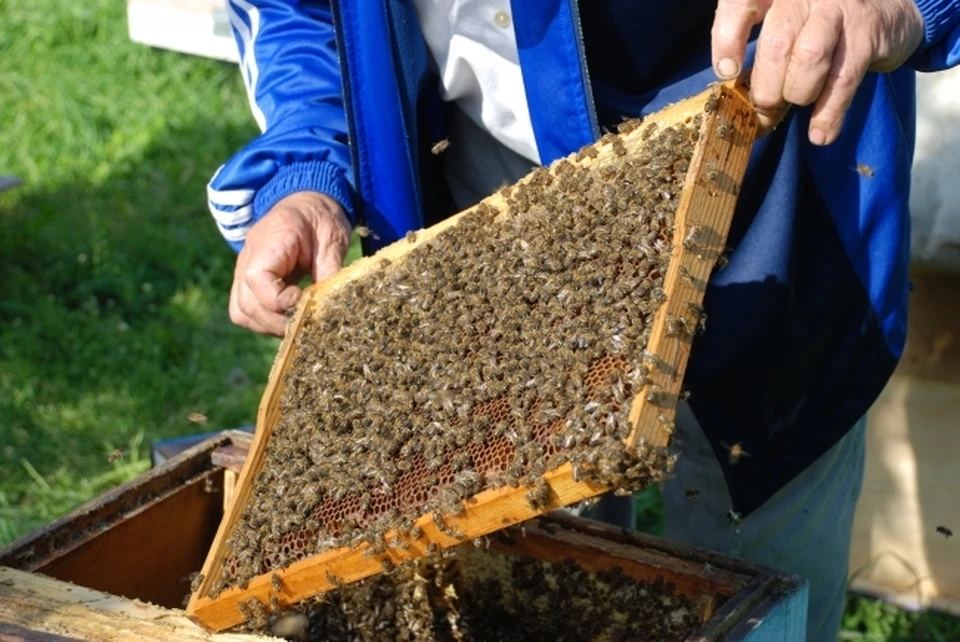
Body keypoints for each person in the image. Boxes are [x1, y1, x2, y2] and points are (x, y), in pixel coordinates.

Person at [206, 2, 960, 640]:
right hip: (482, 171)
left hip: (769, 147)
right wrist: (308, 160)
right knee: (523, 549)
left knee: (765, 557)